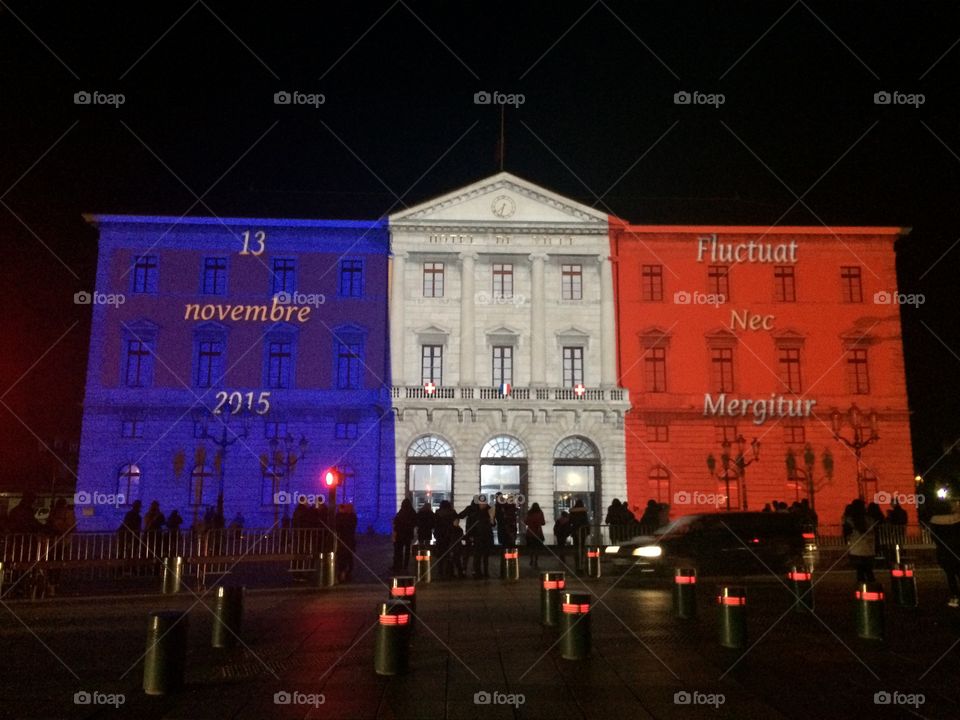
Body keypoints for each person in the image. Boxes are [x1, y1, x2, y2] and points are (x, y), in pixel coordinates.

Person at [928, 500, 960, 607]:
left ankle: (955, 596)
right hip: (957, 549)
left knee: (950, 575)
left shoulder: (935, 520)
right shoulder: (957, 518)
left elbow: (933, 537)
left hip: (944, 551)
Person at [843, 499, 877, 583]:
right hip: (869, 548)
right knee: (869, 571)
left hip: (856, 549)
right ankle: (872, 588)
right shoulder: (869, 519)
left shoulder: (849, 520)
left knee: (860, 572)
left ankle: (862, 589)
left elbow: (846, 534)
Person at [471, 497, 495, 578]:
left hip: (486, 536)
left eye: (484, 503)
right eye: (481, 503)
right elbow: (472, 525)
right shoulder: (475, 512)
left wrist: (492, 517)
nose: (483, 505)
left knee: (485, 556)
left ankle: (485, 572)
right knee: (477, 556)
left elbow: (493, 524)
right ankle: (477, 572)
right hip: (478, 536)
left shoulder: (489, 511)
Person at [433, 500, 457, 579]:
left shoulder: (438, 513)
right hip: (450, 536)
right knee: (449, 554)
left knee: (440, 555)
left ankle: (440, 571)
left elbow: (435, 525)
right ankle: (449, 571)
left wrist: (436, 534)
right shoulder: (452, 512)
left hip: (440, 536)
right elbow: (456, 523)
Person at [392, 498, 417, 571]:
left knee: (399, 550)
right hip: (408, 534)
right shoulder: (412, 512)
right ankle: (405, 566)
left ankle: (398, 565)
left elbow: (396, 522)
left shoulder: (401, 512)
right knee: (407, 550)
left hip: (400, 534)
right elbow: (415, 522)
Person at [335, 503, 358, 583]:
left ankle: (343, 572)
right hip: (349, 541)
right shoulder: (353, 517)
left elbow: (339, 525)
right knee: (348, 557)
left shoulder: (347, 517)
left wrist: (340, 514)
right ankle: (346, 572)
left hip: (344, 541)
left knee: (343, 557)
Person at [569, 499, 590, 571]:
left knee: (576, 546)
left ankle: (577, 561)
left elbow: (570, 521)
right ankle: (581, 559)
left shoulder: (573, 512)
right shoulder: (584, 512)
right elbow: (586, 521)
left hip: (575, 531)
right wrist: (588, 531)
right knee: (582, 546)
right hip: (583, 531)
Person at [524, 502, 546, 567]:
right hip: (538, 532)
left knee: (531, 547)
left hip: (530, 532)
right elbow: (543, 522)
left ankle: (531, 559)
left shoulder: (529, 513)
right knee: (537, 548)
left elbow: (526, 522)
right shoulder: (540, 513)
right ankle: (536, 560)